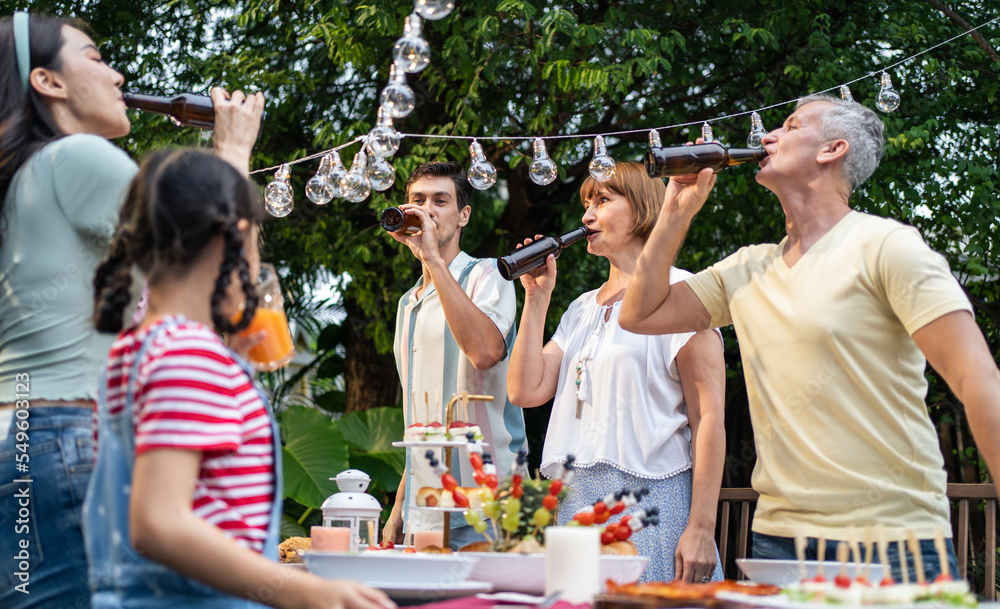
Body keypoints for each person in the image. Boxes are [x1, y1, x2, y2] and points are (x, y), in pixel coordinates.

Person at [619, 94, 1000, 580]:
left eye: (791, 126)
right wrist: (675, 212)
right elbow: (639, 314)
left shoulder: (887, 247)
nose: (767, 136)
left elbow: (978, 381)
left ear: (832, 150)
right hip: (778, 543)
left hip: (891, 541)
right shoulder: (746, 267)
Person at [0, 11, 262, 609]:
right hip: (67, 437)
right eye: (94, 57)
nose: (117, 76)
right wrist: (233, 154)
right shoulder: (77, 158)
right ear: (49, 82)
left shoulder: (24, 177)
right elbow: (227, 295)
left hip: (21, 437)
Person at [86, 149, 393, 609]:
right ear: (237, 237)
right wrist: (306, 592)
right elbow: (158, 521)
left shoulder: (137, 347)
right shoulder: (187, 354)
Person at [506, 161, 726, 583]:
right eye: (586, 204)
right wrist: (536, 298)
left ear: (642, 207)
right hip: (574, 503)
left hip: (651, 502)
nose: (587, 216)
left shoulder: (682, 294)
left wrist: (701, 526)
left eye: (602, 201)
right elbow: (525, 390)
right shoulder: (582, 308)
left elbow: (710, 419)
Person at [384, 160, 527, 550]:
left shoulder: (489, 275)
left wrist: (432, 258)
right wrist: (400, 505)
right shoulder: (407, 304)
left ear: (463, 215)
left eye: (440, 201)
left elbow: (484, 352)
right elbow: (420, 417)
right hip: (425, 504)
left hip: (488, 499)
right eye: (418, 200)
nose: (427, 210)